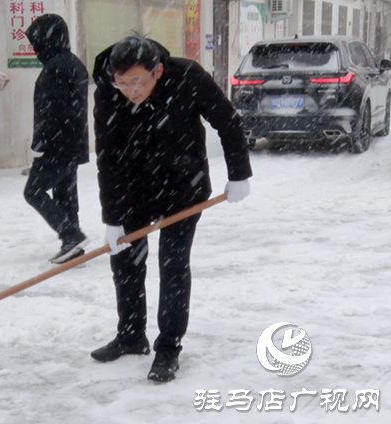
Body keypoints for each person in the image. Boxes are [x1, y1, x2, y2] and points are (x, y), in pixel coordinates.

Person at [90, 35, 253, 382]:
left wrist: (238, 174)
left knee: (173, 263)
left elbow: (227, 120)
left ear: (158, 71)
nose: (130, 92)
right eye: (123, 84)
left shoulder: (186, 76)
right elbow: (107, 156)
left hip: (182, 186)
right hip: (133, 188)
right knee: (125, 262)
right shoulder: (107, 89)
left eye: (137, 82)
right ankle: (132, 335)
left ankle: (168, 347)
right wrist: (113, 219)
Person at [23, 14, 90, 264]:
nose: (35, 49)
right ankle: (72, 244)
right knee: (65, 193)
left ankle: (71, 235)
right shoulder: (72, 63)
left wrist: (41, 145)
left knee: (33, 191)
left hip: (56, 146)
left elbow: (52, 112)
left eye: (36, 43)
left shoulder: (56, 68)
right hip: (72, 144)